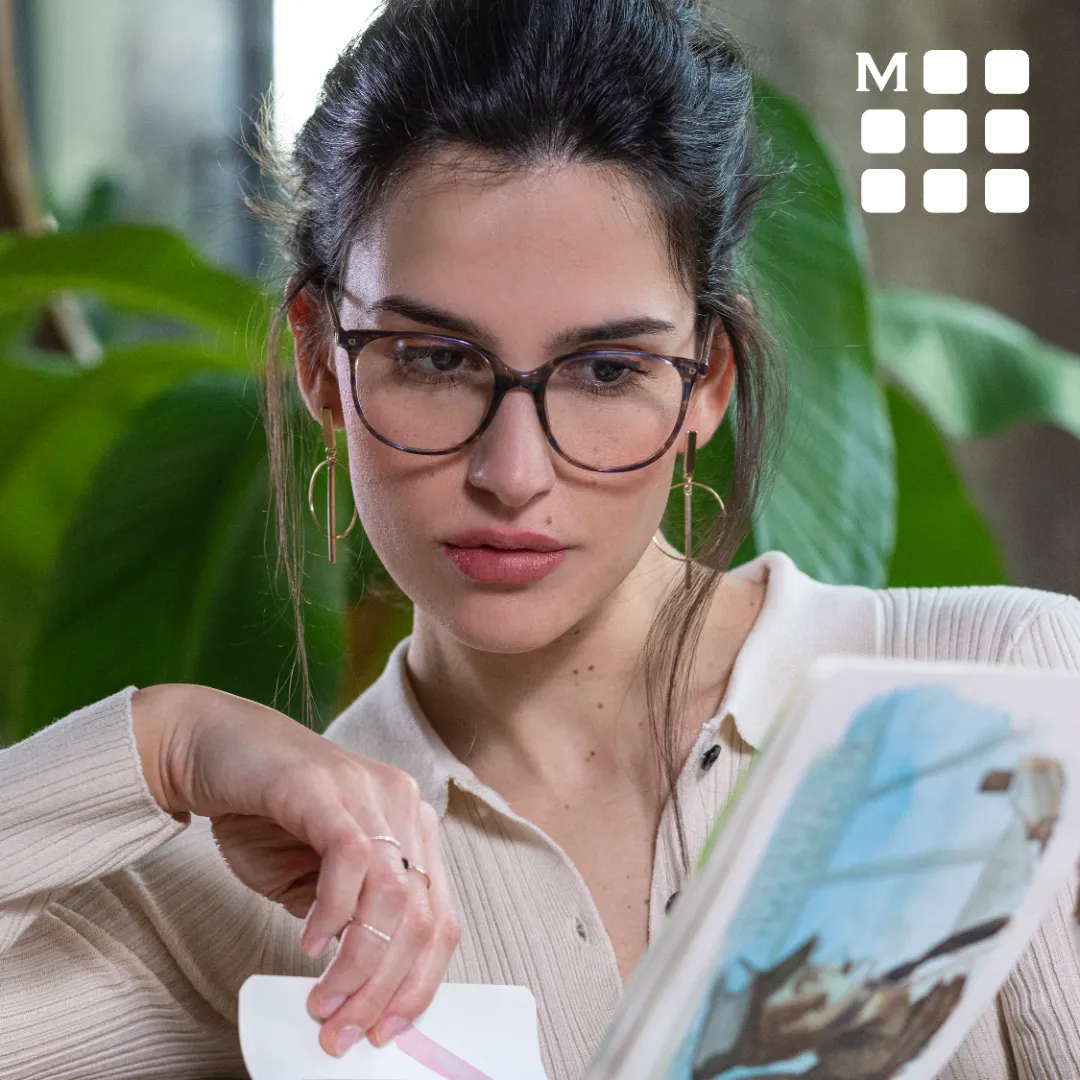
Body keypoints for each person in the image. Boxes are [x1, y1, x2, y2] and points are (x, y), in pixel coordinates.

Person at [2, 1, 1080, 1078]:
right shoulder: (235, 895)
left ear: (705, 383)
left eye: (607, 370)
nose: (512, 475)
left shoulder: (1020, 690)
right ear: (325, 364)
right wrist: (166, 741)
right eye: (433, 359)